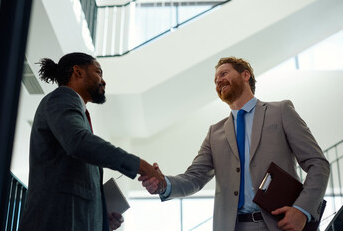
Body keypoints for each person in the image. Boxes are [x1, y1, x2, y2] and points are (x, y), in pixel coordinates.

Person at [139, 57, 330, 231]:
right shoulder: (215, 132)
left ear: (245, 75)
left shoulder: (281, 111)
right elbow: (195, 177)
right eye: (215, 80)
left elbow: (318, 164)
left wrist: (302, 210)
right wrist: (164, 184)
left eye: (223, 74)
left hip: (280, 225)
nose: (218, 81)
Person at [18, 52, 165, 231]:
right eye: (98, 72)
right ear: (78, 72)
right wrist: (140, 165)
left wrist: (101, 219)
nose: (103, 81)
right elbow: (79, 142)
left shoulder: (78, 111)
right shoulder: (63, 97)